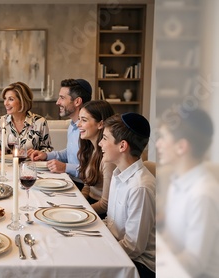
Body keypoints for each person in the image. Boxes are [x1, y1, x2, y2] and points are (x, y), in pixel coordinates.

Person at [155, 108, 219, 277]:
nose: (158, 143)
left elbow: (193, 263)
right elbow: (171, 237)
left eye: (163, 137)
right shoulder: (177, 182)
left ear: (181, 147)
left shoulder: (203, 194)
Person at [99, 113, 155, 278]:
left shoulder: (140, 187)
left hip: (140, 265)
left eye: (104, 138)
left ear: (122, 146)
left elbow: (133, 247)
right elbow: (111, 223)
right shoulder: (118, 174)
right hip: (118, 247)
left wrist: (98, 253)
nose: (100, 143)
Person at [30, 78, 92, 189]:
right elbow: (70, 153)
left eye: (62, 98)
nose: (57, 102)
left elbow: (93, 171)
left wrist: (65, 167)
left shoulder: (88, 130)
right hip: (70, 180)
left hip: (84, 186)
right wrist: (46, 155)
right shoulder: (72, 125)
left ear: (77, 101)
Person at [77, 100, 116, 218]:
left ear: (100, 124)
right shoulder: (90, 148)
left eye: (84, 120)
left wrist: (82, 211)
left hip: (100, 212)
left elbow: (106, 204)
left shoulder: (107, 159)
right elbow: (87, 185)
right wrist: (80, 202)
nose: (78, 124)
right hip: (90, 205)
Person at [0, 81, 53, 157]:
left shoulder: (40, 122)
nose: (5, 103)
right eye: (5, 99)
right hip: (4, 167)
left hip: (31, 167)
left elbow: (48, 149)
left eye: (11, 99)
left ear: (22, 101)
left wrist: (37, 152)